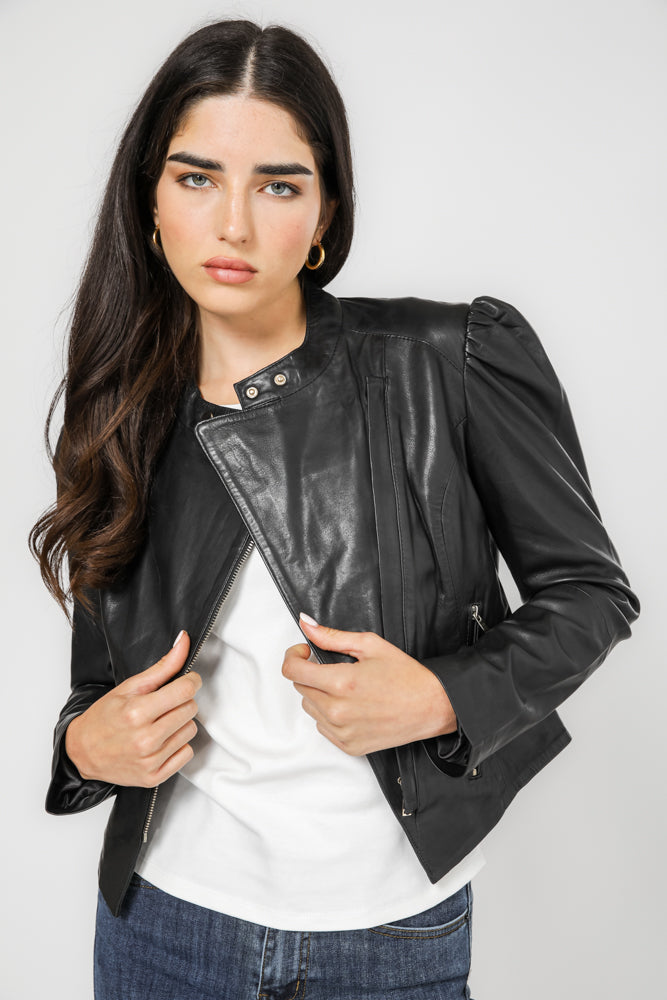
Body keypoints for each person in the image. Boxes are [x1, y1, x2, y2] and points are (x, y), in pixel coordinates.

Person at [30, 18, 639, 1000]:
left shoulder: (448, 363)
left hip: (389, 936)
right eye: (196, 178)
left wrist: (443, 696)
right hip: (163, 926)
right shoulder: (121, 408)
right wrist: (81, 747)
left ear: (324, 214)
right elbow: (101, 686)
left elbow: (591, 594)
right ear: (149, 203)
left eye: (277, 185)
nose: (233, 224)